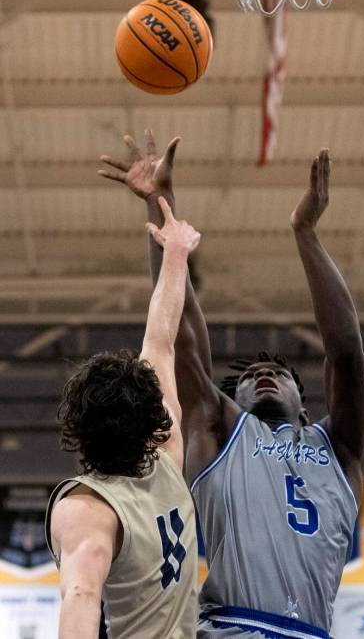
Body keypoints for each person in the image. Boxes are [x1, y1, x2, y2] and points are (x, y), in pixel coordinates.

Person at [99, 133, 364, 639]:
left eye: (278, 374)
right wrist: (164, 207)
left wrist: (306, 233)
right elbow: (181, 338)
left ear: (305, 405)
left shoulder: (341, 449)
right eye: (247, 378)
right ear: (234, 400)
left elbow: (347, 351)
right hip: (230, 627)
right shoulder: (219, 430)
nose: (261, 375)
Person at [45, 197, 201, 639]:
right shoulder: (167, 449)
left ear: (76, 429)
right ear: (154, 424)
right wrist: (175, 253)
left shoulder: (86, 508)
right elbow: (161, 337)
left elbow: (80, 596)